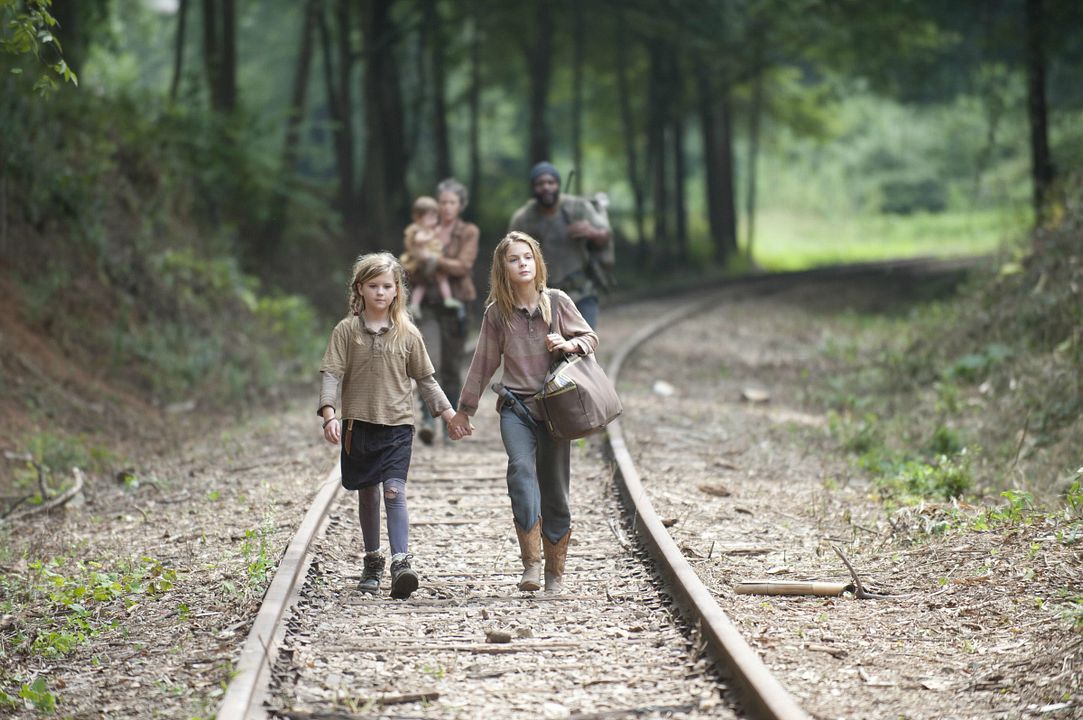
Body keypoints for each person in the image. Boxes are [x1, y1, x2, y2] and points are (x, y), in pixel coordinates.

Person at [448, 231, 598, 594]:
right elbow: (482, 363)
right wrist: (464, 410)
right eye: (514, 259)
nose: (522, 264)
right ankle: (531, 563)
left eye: (527, 257)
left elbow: (590, 338)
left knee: (556, 491)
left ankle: (554, 574)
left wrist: (569, 344)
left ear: (537, 262)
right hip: (516, 409)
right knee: (520, 471)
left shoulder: (557, 302)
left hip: (556, 410)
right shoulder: (497, 314)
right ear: (503, 268)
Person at [318, 252, 461, 599]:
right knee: (368, 493)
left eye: (386, 286)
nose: (380, 292)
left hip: (397, 426)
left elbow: (426, 381)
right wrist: (329, 414)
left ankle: (401, 562)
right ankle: (373, 561)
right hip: (358, 426)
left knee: (394, 491)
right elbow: (332, 373)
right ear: (360, 289)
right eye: (373, 286)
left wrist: (449, 415)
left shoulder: (407, 334)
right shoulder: (346, 331)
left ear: (397, 290)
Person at [410, 177, 479, 445]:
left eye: (452, 202)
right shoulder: (424, 229)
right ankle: (428, 419)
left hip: (456, 306)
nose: (447, 207)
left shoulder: (468, 231)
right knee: (429, 363)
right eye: (442, 202)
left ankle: (453, 423)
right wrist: (421, 262)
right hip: (427, 305)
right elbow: (411, 263)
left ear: (461, 205)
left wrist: (433, 260)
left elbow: (463, 266)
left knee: (451, 367)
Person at [508, 161, 611, 329]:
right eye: (540, 183)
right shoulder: (523, 219)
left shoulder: (578, 208)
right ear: (533, 188)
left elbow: (605, 236)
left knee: (584, 342)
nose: (546, 187)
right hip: (541, 298)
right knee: (547, 345)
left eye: (551, 182)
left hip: (581, 292)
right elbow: (508, 255)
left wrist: (591, 232)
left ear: (558, 185)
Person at [399, 195, 462, 320]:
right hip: (419, 262)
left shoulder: (428, 230)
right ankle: (415, 305)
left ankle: (447, 298)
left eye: (436, 217)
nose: (434, 220)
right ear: (418, 217)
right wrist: (432, 235)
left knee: (439, 278)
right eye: (431, 217)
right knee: (423, 282)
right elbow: (419, 240)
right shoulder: (417, 229)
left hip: (430, 262)